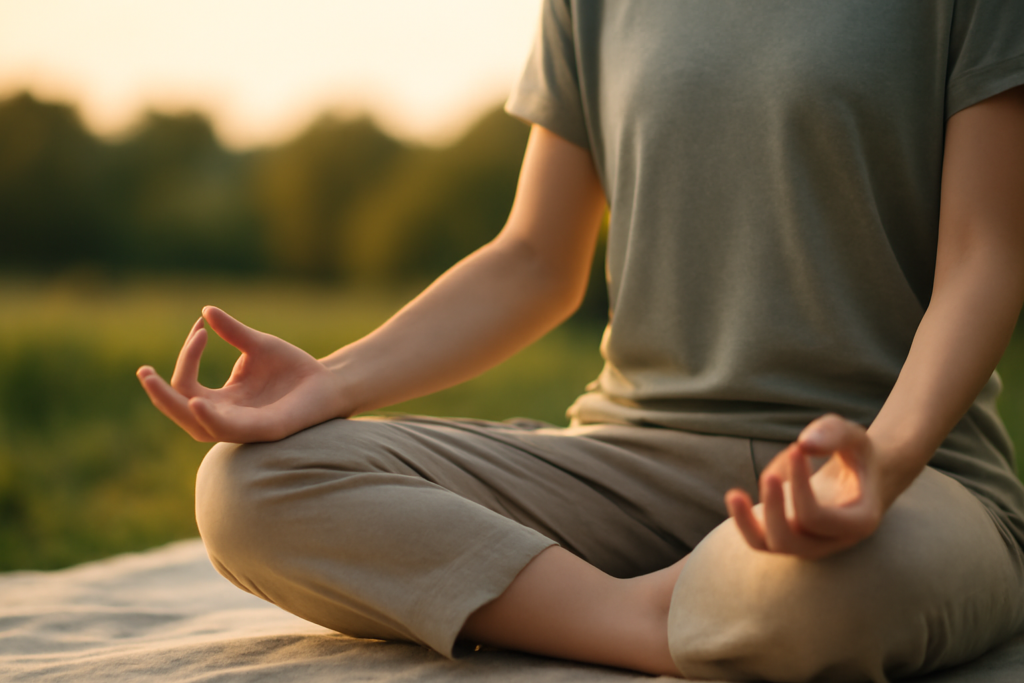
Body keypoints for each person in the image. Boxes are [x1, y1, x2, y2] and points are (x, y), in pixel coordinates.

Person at [137, 2, 1024, 680]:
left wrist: (885, 457)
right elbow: (533, 258)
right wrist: (327, 382)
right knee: (254, 484)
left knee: (817, 601)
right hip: (630, 459)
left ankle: (703, 605)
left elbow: (986, 256)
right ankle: (654, 620)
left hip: (903, 477)